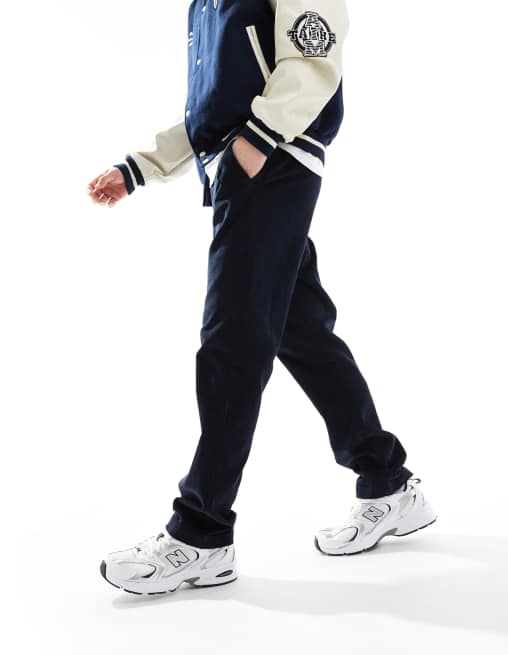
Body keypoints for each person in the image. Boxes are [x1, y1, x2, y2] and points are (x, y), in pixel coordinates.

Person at [89, 0, 437, 596]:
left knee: (232, 344)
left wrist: (257, 141)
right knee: (303, 335)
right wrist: (140, 168)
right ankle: (387, 481)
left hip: (274, 163)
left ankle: (201, 534)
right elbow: (211, 109)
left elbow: (315, 55)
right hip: (247, 168)